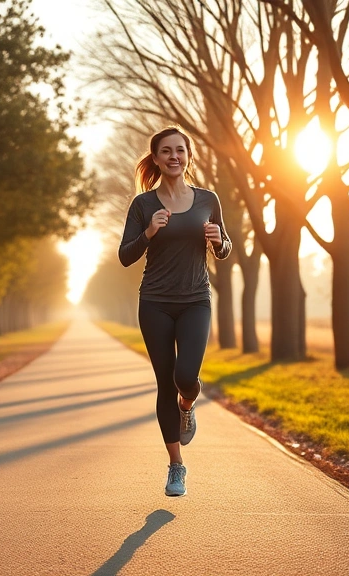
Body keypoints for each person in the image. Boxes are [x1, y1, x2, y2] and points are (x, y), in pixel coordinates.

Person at [118, 126, 231, 497]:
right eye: (165, 151)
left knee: (187, 376)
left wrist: (220, 242)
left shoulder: (207, 199)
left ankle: (188, 404)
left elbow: (224, 246)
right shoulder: (143, 205)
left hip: (196, 299)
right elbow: (125, 256)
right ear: (155, 158)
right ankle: (176, 466)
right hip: (154, 303)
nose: (173, 156)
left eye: (179, 150)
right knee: (164, 381)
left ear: (188, 156)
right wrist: (148, 232)